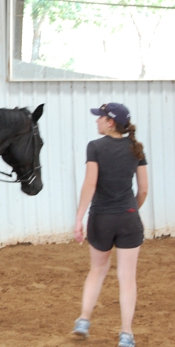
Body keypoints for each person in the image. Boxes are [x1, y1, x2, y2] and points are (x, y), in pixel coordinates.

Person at [72, 103, 148, 347]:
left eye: (100, 118)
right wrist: (132, 209)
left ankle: (84, 320)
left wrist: (79, 218)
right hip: (128, 218)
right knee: (127, 278)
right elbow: (144, 189)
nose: (97, 121)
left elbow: (90, 185)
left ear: (110, 122)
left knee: (97, 270)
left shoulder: (95, 147)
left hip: (101, 218)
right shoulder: (136, 149)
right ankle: (126, 334)